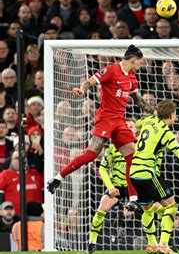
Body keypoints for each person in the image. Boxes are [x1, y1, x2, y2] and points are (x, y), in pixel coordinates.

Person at [47, 45, 153, 215]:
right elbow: (89, 81)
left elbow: (139, 102)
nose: (140, 66)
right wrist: (82, 90)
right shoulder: (111, 70)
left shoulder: (132, 77)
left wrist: (155, 112)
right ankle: (57, 178)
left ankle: (133, 200)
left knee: (132, 157)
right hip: (105, 119)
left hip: (119, 121)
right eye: (139, 63)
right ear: (132, 60)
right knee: (91, 155)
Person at [130, 100, 179, 254]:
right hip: (148, 173)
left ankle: (152, 245)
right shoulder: (166, 133)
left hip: (134, 173)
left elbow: (137, 124)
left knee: (147, 209)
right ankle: (163, 244)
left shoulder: (148, 120)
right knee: (171, 206)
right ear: (172, 115)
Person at [87, 118, 137, 254]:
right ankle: (92, 242)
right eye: (128, 126)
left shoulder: (140, 148)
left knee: (155, 207)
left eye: (133, 126)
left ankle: (161, 242)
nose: (131, 129)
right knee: (102, 208)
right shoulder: (112, 149)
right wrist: (110, 186)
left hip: (136, 186)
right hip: (118, 186)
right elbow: (102, 169)